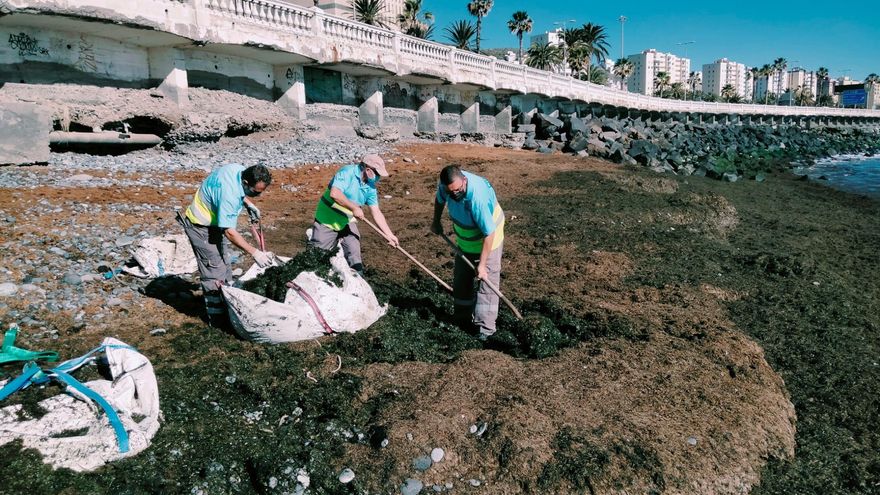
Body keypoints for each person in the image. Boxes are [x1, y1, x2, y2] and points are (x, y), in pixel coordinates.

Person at [179, 163, 273, 328]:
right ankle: (217, 320)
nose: (257, 195)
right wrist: (255, 253)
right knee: (214, 271)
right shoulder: (230, 195)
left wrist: (248, 203)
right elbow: (229, 232)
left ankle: (228, 306)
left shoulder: (236, 169)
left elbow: (231, 194)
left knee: (225, 266)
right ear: (245, 183)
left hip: (215, 221)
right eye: (255, 192)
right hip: (200, 225)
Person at [431, 165, 505, 341]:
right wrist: (436, 221)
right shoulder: (446, 187)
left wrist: (482, 265)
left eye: (458, 190)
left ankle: (486, 329)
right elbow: (439, 200)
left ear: (464, 180)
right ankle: (462, 318)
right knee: (461, 279)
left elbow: (489, 233)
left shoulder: (476, 199)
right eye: (451, 192)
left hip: (488, 241)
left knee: (487, 284)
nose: (455, 195)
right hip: (465, 242)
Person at [309, 154, 398, 273]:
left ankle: (358, 280)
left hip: (347, 220)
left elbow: (376, 212)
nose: (378, 178)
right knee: (316, 259)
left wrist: (389, 235)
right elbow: (335, 194)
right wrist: (354, 208)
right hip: (327, 220)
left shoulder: (370, 188)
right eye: (377, 174)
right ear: (368, 169)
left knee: (354, 252)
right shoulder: (347, 172)